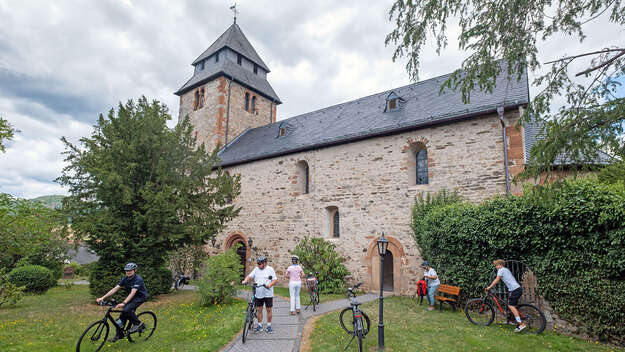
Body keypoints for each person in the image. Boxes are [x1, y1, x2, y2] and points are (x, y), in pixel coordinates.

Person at [96, 262, 149, 342]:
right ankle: (118, 335)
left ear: (134, 270)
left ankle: (138, 324)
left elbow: (132, 293)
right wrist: (103, 297)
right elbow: (115, 289)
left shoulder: (138, 279)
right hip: (131, 297)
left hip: (140, 297)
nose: (128, 272)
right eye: (127, 271)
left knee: (126, 310)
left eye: (130, 270)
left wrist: (123, 303)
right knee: (122, 315)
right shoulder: (125, 278)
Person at [485, 259, 526, 332]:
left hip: (514, 290)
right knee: (511, 304)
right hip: (516, 289)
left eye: (496, 265)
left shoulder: (501, 270)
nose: (496, 267)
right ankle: (512, 320)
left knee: (511, 305)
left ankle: (520, 323)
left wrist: (489, 287)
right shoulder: (506, 269)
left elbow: (497, 280)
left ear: (500, 264)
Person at [242, 255, 278, 334]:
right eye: (258, 263)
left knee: (269, 309)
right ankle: (260, 326)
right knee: (259, 310)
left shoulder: (270, 269)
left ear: (265, 263)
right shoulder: (256, 269)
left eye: (260, 263)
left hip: (268, 293)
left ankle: (268, 326)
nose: (258, 265)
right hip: (258, 293)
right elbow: (249, 276)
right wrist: (245, 280)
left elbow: (275, 280)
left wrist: (270, 285)